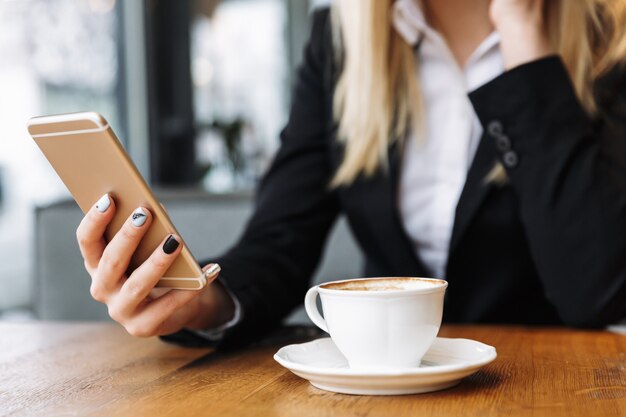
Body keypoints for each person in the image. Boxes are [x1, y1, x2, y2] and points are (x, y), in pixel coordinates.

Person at [75, 0, 626, 348]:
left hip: (548, 383)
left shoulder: (610, 40)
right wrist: (202, 304)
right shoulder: (341, 38)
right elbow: (278, 243)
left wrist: (524, 35)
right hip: (375, 387)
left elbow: (595, 291)